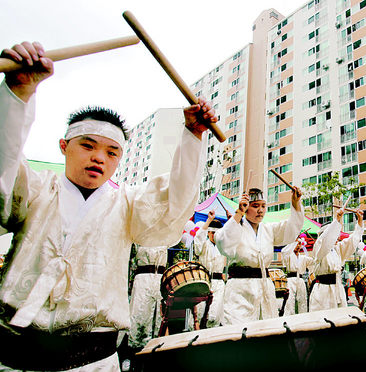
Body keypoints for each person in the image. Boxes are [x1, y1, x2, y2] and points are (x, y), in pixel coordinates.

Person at [0, 41, 215, 371]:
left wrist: (192, 134)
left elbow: (174, 201)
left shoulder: (128, 205)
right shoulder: (36, 189)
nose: (99, 157)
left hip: (94, 362)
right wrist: (17, 95)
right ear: (64, 146)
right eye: (87, 145)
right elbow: (4, 167)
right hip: (14, 358)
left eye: (112, 152)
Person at [214, 187, 303, 325]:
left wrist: (295, 203)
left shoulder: (268, 229)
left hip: (264, 287)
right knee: (238, 330)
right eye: (255, 206)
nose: (260, 210)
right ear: (245, 207)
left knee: (266, 329)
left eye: (263, 206)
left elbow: (291, 229)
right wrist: (238, 214)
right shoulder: (236, 227)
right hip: (240, 289)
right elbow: (223, 243)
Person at [308, 208, 364, 312]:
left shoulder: (337, 249)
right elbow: (325, 240)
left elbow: (352, 241)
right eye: (333, 235)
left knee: (339, 320)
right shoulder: (319, 247)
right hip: (323, 291)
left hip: (338, 289)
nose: (336, 237)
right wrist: (337, 220)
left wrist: (359, 222)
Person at [190, 210, 226, 328]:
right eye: (212, 233)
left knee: (214, 315)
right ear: (209, 232)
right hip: (204, 282)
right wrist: (209, 220)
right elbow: (198, 240)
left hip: (218, 283)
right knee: (200, 313)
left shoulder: (223, 247)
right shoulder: (203, 245)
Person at [128, 245, 168, 350]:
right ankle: (133, 349)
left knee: (158, 315)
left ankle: (155, 346)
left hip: (159, 278)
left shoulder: (166, 237)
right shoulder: (141, 236)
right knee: (140, 314)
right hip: (143, 277)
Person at [280, 235, 314, 315]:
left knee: (302, 300)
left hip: (301, 280)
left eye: (299, 244)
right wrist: (293, 242)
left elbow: (315, 260)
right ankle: (288, 318)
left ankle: (302, 317)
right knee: (290, 301)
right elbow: (284, 251)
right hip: (291, 279)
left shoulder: (303, 258)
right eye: (296, 244)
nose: (298, 246)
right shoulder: (288, 255)